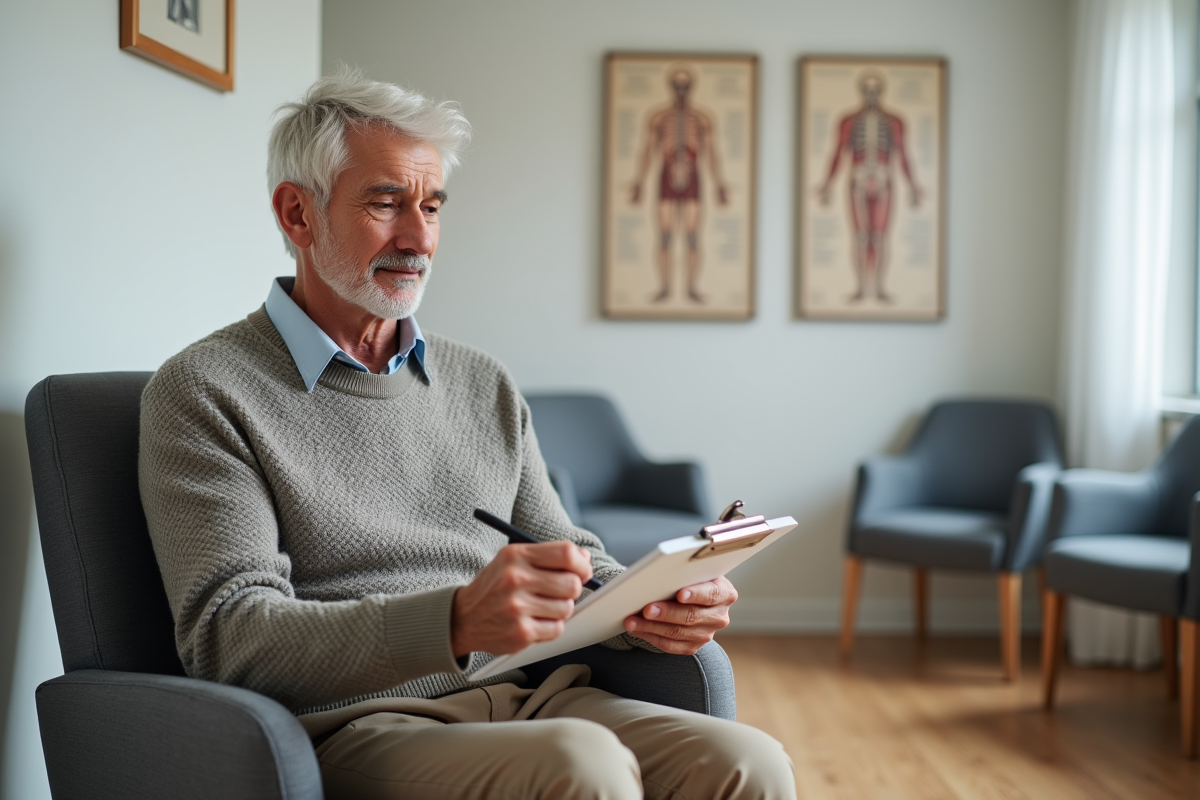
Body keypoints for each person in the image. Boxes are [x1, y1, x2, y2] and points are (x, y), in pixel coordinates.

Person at [138, 71, 794, 800]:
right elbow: (229, 637)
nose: (419, 238)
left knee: (749, 761)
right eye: (386, 203)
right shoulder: (206, 390)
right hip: (354, 723)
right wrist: (451, 621)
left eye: (431, 206)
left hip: (530, 698)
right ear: (298, 214)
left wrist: (652, 605)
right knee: (580, 764)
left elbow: (570, 554)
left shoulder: (484, 382)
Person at [816, 71, 922, 303]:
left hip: (884, 181)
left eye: (875, 91)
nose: (871, 95)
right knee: (861, 237)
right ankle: (861, 288)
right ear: (861, 91)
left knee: (881, 238)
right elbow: (838, 153)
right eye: (868, 90)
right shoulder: (848, 121)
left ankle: (880, 288)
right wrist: (827, 185)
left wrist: (913, 186)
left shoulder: (895, 121)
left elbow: (903, 154)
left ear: (882, 91)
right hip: (858, 180)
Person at [629, 67, 728, 303]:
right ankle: (665, 287)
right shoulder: (658, 117)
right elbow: (648, 150)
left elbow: (711, 153)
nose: (681, 90)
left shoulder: (702, 118)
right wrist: (639, 182)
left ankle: (691, 287)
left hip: (693, 177)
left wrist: (719, 184)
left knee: (692, 236)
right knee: (665, 235)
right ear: (670, 86)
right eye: (677, 85)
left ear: (692, 86)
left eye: (685, 85)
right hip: (666, 175)